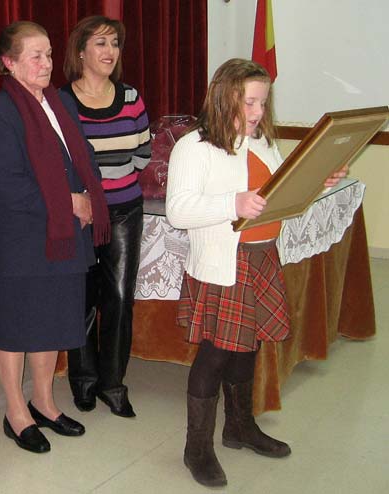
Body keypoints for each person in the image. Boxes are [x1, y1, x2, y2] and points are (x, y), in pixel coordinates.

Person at [166, 58, 347, 487]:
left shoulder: (262, 142)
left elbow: (282, 194)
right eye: (248, 102)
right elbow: (178, 211)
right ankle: (197, 449)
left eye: (262, 103)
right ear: (222, 96)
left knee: (246, 347)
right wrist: (234, 203)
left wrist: (319, 181)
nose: (257, 113)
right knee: (216, 353)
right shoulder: (194, 146)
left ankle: (239, 427)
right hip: (224, 263)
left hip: (262, 256)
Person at [0, 21, 110, 454]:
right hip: (24, 238)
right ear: (8, 62)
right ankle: (16, 413)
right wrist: (71, 203)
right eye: (35, 55)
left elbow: (84, 157)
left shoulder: (61, 104)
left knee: (52, 323)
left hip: (64, 236)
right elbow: (10, 184)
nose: (46, 63)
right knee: (19, 328)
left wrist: (88, 197)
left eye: (50, 54)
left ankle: (45, 402)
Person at [61, 16, 151, 418]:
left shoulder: (130, 97)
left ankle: (113, 384)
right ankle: (83, 381)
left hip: (125, 210)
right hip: (80, 214)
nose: (110, 52)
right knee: (79, 299)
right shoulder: (61, 101)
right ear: (80, 51)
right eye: (100, 43)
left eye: (115, 43)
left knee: (118, 298)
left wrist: (113, 184)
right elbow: (58, 162)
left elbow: (142, 155)